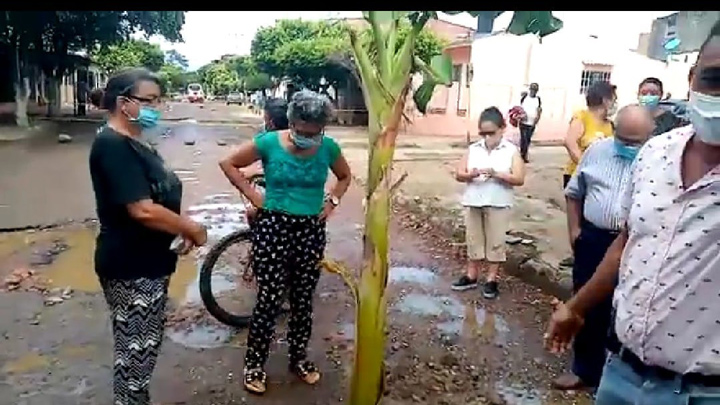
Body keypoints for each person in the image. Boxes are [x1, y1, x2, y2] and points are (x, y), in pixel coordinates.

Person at [545, 21, 720, 404]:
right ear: (692, 78)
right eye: (714, 78)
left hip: (701, 392)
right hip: (620, 376)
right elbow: (627, 244)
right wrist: (574, 307)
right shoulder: (656, 154)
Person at [218, 89, 352, 394]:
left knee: (303, 300)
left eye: (313, 132)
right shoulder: (268, 143)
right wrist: (255, 196)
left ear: (323, 128)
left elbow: (345, 177)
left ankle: (298, 359)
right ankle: (254, 364)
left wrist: (331, 203)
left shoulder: (328, 148)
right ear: (291, 122)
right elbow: (228, 163)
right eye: (301, 130)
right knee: (269, 298)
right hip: (274, 227)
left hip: (310, 230)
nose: (306, 136)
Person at [88, 68, 208, 405]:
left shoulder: (135, 140)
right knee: (135, 353)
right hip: (131, 265)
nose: (158, 106)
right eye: (149, 100)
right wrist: (191, 228)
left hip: (149, 261)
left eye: (159, 99)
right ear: (124, 103)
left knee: (144, 346)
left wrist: (176, 228)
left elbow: (158, 198)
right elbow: (141, 209)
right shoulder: (113, 145)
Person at [552, 104, 655, 391]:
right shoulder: (597, 151)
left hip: (639, 243)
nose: (628, 147)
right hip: (595, 240)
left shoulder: (660, 158)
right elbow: (574, 193)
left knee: (630, 306)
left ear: (651, 134)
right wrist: (575, 231)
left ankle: (623, 378)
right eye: (623, 140)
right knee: (586, 302)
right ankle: (584, 370)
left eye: (636, 142)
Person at [451, 106, 526, 299]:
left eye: (491, 133)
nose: (487, 138)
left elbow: (519, 178)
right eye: (483, 133)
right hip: (474, 200)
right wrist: (471, 174)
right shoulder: (473, 149)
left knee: (495, 241)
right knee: (474, 239)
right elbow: (459, 174)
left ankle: (492, 279)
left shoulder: (511, 151)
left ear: (502, 129)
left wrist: (497, 174)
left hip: (498, 202)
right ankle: (471, 275)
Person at [559, 81, 616, 268]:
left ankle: (591, 255)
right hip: (578, 176)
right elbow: (570, 142)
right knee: (577, 219)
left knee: (592, 219)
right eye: (613, 98)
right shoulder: (582, 117)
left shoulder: (610, 125)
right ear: (605, 99)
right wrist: (586, 166)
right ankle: (577, 255)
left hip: (601, 180)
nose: (615, 102)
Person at [519, 83, 542, 163]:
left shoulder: (538, 99)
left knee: (527, 139)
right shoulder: (525, 97)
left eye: (535, 90)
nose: (533, 91)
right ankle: (523, 155)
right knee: (523, 139)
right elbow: (519, 108)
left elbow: (539, 109)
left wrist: (537, 119)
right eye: (532, 89)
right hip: (523, 122)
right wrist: (521, 115)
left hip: (532, 123)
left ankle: (523, 154)